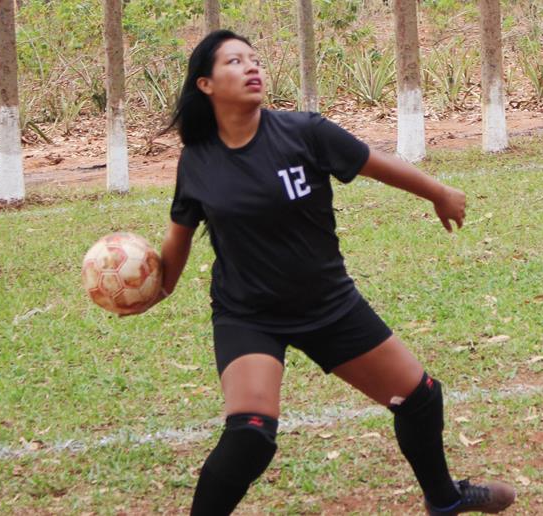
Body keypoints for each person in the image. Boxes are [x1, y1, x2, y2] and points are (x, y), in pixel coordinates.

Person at [141, 29, 516, 515]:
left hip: (328, 304)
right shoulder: (197, 162)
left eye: (255, 59)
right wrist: (153, 287)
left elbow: (374, 163)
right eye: (235, 61)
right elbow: (179, 238)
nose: (252, 68)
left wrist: (438, 192)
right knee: (251, 435)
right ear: (206, 85)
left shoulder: (304, 132)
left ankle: (444, 500)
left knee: (420, 397)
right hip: (248, 315)